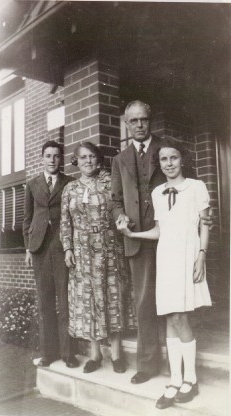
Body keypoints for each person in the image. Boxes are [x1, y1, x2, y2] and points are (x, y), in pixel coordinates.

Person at [111, 100, 213, 385]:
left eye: (143, 119)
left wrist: (203, 226)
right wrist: (121, 219)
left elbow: (192, 196)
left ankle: (179, 369)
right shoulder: (120, 160)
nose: (139, 125)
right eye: (133, 121)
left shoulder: (167, 150)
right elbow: (116, 200)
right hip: (143, 238)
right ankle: (148, 364)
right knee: (145, 301)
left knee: (178, 305)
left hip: (177, 241)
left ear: (150, 120)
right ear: (127, 124)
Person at [60, 142, 135, 374]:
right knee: (89, 300)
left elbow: (120, 209)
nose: (88, 161)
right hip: (82, 253)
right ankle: (94, 355)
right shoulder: (70, 189)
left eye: (92, 156)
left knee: (112, 298)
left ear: (98, 159)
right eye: (83, 157)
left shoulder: (108, 182)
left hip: (109, 249)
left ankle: (116, 354)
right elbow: (65, 222)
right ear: (76, 161)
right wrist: (68, 249)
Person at [23, 140, 78, 368]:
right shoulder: (32, 184)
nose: (52, 160)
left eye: (56, 156)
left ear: (61, 159)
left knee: (65, 301)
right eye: (48, 155)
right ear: (42, 158)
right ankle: (49, 353)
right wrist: (27, 247)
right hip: (39, 249)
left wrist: (71, 247)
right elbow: (27, 218)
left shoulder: (70, 183)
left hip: (61, 247)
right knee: (45, 301)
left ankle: (68, 353)